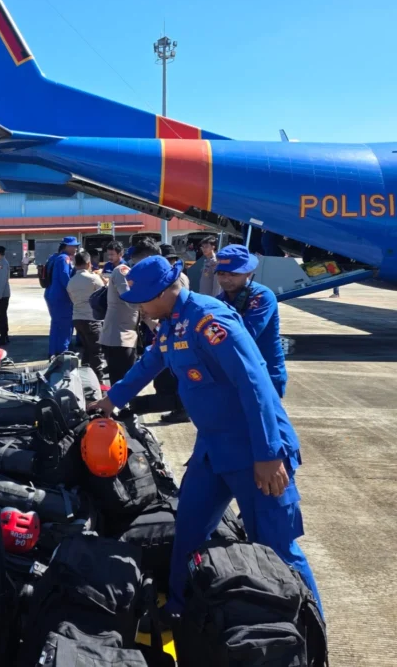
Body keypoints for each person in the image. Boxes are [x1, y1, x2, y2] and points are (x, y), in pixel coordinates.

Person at [88, 256, 322, 618]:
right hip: (213, 450)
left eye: (145, 299)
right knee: (190, 531)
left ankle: (310, 626)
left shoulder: (209, 320)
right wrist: (111, 399)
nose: (142, 308)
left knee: (277, 547)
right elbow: (151, 362)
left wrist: (269, 455)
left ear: (168, 291)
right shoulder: (171, 321)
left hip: (255, 447)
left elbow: (255, 386)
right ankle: (181, 611)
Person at [215, 245, 288, 398]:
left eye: (233, 274)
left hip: (265, 375)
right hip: (235, 374)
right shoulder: (219, 301)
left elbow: (246, 335)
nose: (226, 279)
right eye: (221, 274)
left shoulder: (262, 297)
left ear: (248, 273)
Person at [153, 244, 190, 423]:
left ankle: (180, 409)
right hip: (170, 325)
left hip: (178, 328)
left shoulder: (176, 279)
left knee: (171, 376)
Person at [99, 240, 141, 385]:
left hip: (119, 331)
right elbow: (129, 299)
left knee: (119, 376)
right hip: (120, 334)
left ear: (121, 254)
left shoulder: (120, 269)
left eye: (112, 254)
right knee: (122, 377)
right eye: (108, 254)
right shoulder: (122, 270)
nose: (109, 257)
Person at [67, 250, 106, 381]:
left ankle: (84, 379)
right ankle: (99, 381)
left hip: (77, 318)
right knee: (96, 351)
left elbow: (72, 299)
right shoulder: (94, 279)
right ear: (89, 263)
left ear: (75, 263)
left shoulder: (71, 281)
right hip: (92, 319)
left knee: (87, 350)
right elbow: (103, 295)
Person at [43, 237, 79, 356]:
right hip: (62, 296)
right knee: (65, 324)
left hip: (53, 293)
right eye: (73, 246)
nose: (75, 248)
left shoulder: (54, 257)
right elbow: (65, 278)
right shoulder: (64, 258)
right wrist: (74, 292)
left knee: (56, 324)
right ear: (66, 246)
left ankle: (53, 351)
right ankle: (63, 352)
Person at [0, 245, 12, 346]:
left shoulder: (3, 263)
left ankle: (3, 336)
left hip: (3, 294)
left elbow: (2, 281)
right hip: (1, 294)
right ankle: (4, 335)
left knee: (1, 316)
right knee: (1, 315)